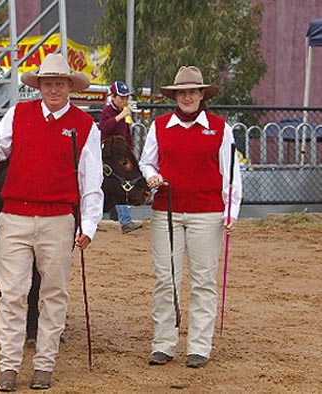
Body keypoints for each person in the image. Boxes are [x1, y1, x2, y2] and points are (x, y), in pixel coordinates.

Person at [0, 53, 103, 391]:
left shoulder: (86, 126)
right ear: (39, 86)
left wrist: (88, 224)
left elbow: (91, 182)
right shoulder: (18, 113)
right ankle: (9, 366)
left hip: (58, 219)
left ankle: (45, 364)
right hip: (14, 217)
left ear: (70, 86)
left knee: (54, 293)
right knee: (12, 293)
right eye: (48, 83)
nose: (53, 88)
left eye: (59, 83)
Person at [139, 66, 242, 368]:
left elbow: (232, 174)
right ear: (175, 96)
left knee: (203, 281)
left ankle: (199, 346)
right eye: (181, 92)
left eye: (192, 92)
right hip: (166, 212)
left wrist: (230, 211)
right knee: (165, 279)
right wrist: (153, 176)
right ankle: (163, 344)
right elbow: (147, 163)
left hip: (207, 214)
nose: (187, 97)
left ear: (201, 95)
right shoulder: (159, 126)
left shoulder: (220, 128)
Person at [98, 80, 143, 234]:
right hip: (107, 156)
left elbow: (126, 134)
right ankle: (121, 221)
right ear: (114, 97)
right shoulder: (108, 112)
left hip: (118, 158)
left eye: (126, 98)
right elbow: (104, 127)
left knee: (115, 187)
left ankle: (124, 221)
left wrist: (129, 151)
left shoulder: (124, 113)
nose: (124, 101)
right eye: (121, 97)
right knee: (105, 187)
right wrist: (120, 117)